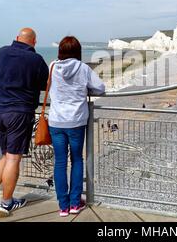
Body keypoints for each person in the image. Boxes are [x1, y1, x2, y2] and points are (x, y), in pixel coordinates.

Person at [0, 28, 49, 218]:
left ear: (17, 39)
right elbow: (45, 83)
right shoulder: (36, 60)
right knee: (13, 158)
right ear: (34, 42)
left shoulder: (1, 52)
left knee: (6, 155)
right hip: (19, 113)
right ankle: (7, 202)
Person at [48, 36, 105, 217]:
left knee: (60, 162)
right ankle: (75, 203)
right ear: (78, 52)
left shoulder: (52, 66)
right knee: (77, 160)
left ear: (60, 52)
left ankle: (63, 206)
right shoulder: (83, 68)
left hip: (56, 121)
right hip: (76, 122)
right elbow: (100, 88)